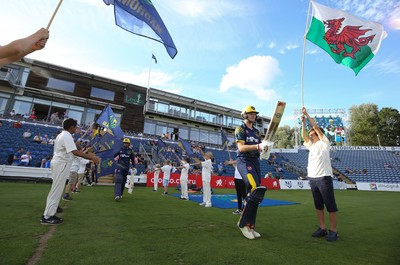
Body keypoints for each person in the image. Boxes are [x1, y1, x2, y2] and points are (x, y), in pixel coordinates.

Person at [41, 118, 100, 225]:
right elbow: (74, 151)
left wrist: (76, 144)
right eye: (76, 126)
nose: (76, 128)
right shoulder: (66, 135)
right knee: (56, 189)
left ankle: (52, 208)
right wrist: (92, 157)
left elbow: (71, 149)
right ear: (72, 127)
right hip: (61, 164)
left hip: (59, 163)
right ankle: (48, 216)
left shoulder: (62, 135)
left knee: (56, 188)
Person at [301, 107, 339, 242]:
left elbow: (316, 126)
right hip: (312, 178)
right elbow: (303, 136)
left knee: (330, 205)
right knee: (318, 205)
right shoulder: (311, 146)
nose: (310, 136)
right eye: (310, 135)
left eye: (312, 134)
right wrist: (303, 122)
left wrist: (307, 115)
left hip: (324, 177)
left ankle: (333, 231)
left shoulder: (324, 143)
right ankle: (322, 228)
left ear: (318, 134)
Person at [235, 105, 273, 240]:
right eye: (251, 114)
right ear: (245, 115)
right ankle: (242, 224)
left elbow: (259, 150)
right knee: (254, 187)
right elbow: (241, 147)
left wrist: (265, 148)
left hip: (255, 161)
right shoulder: (240, 129)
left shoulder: (257, 132)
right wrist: (258, 146)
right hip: (244, 161)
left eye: (254, 114)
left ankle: (250, 225)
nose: (253, 116)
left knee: (256, 193)